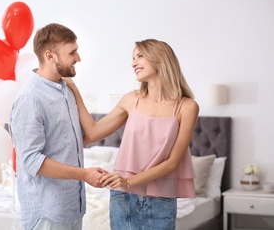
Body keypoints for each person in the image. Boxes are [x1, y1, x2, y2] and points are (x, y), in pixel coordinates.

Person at [65, 38, 199, 230]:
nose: (133, 63)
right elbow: (93, 133)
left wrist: (129, 181)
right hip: (122, 196)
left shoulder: (187, 107)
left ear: (160, 58)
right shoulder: (131, 100)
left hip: (161, 198)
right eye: (133, 57)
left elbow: (172, 162)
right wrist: (75, 91)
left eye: (140, 56)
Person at [10, 23, 108, 230]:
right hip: (47, 213)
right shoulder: (30, 98)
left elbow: (74, 139)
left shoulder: (65, 90)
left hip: (72, 207)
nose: (78, 58)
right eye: (72, 52)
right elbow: (31, 161)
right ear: (50, 55)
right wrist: (84, 174)